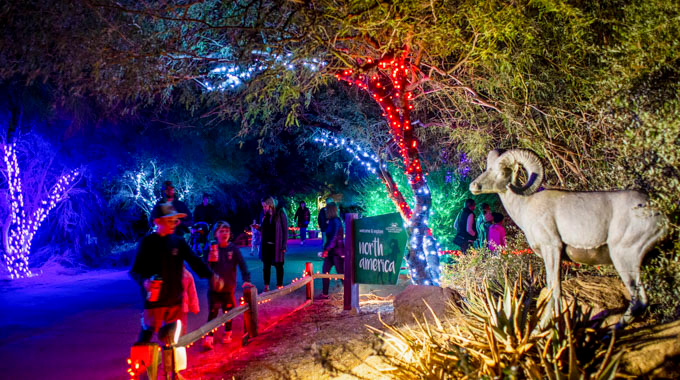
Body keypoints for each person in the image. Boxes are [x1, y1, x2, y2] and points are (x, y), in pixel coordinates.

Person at [129, 202, 223, 377]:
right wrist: (144, 281)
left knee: (176, 339)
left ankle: (175, 372)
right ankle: (141, 373)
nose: (175, 223)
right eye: (170, 220)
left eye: (175, 220)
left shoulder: (178, 242)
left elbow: (194, 261)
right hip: (154, 301)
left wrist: (211, 276)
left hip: (175, 300)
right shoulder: (147, 243)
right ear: (157, 221)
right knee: (147, 336)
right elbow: (135, 271)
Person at [203, 221, 253, 349]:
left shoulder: (233, 249)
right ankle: (209, 336)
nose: (224, 234)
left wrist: (246, 278)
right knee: (213, 312)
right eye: (221, 231)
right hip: (214, 288)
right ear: (215, 234)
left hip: (228, 288)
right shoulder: (211, 248)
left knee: (228, 311)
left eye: (227, 231)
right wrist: (209, 258)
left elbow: (242, 264)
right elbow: (205, 268)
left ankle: (228, 332)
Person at [255, 196, 288, 292]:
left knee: (279, 265)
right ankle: (266, 286)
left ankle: (279, 285)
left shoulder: (280, 213)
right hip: (266, 245)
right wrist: (258, 228)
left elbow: (285, 230)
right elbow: (265, 229)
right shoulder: (265, 215)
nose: (263, 208)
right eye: (263, 206)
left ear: (270, 204)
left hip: (276, 245)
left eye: (265, 206)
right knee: (266, 266)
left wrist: (284, 245)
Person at [320, 203, 345, 299]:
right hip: (331, 252)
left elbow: (334, 238)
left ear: (330, 210)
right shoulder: (330, 221)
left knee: (341, 273)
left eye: (327, 209)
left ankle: (349, 292)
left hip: (337, 252)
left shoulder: (336, 221)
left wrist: (326, 249)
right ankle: (325, 293)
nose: (325, 211)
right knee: (325, 271)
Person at [180, 266, 200, 336]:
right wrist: (194, 307)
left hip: (176, 305)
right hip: (182, 306)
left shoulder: (187, 275)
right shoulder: (187, 275)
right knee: (182, 327)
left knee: (172, 327)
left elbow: (192, 292)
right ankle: (181, 343)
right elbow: (192, 292)